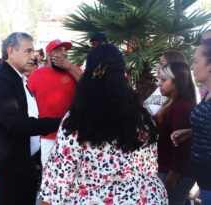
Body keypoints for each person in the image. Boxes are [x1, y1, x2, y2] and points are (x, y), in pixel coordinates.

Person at [39, 44, 167, 204]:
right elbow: (149, 167)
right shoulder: (141, 115)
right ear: (123, 74)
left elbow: (57, 181)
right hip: (145, 198)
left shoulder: (78, 120)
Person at [0, 32, 61, 205]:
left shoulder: (16, 77)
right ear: (11, 51)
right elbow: (17, 125)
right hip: (9, 165)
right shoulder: (0, 80)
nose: (33, 57)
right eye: (28, 51)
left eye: (33, 52)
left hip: (22, 160)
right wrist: (59, 123)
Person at [171, 39, 211, 204]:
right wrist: (191, 132)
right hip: (204, 181)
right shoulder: (207, 94)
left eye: (195, 61)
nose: (192, 67)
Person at [27, 39, 80, 165]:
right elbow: (27, 101)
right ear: (49, 55)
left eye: (65, 51)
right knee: (48, 171)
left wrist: (70, 67)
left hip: (72, 133)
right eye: (59, 50)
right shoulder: (36, 75)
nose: (64, 54)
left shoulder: (72, 70)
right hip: (47, 136)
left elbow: (89, 85)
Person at [155, 62, 196, 205]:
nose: (159, 83)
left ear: (177, 82)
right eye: (159, 79)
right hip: (167, 169)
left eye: (164, 80)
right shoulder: (171, 102)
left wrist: (172, 176)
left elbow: (182, 145)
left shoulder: (181, 107)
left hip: (175, 173)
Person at [144, 51, 188, 116]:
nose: (158, 67)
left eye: (161, 63)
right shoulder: (162, 89)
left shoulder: (180, 105)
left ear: (173, 67)